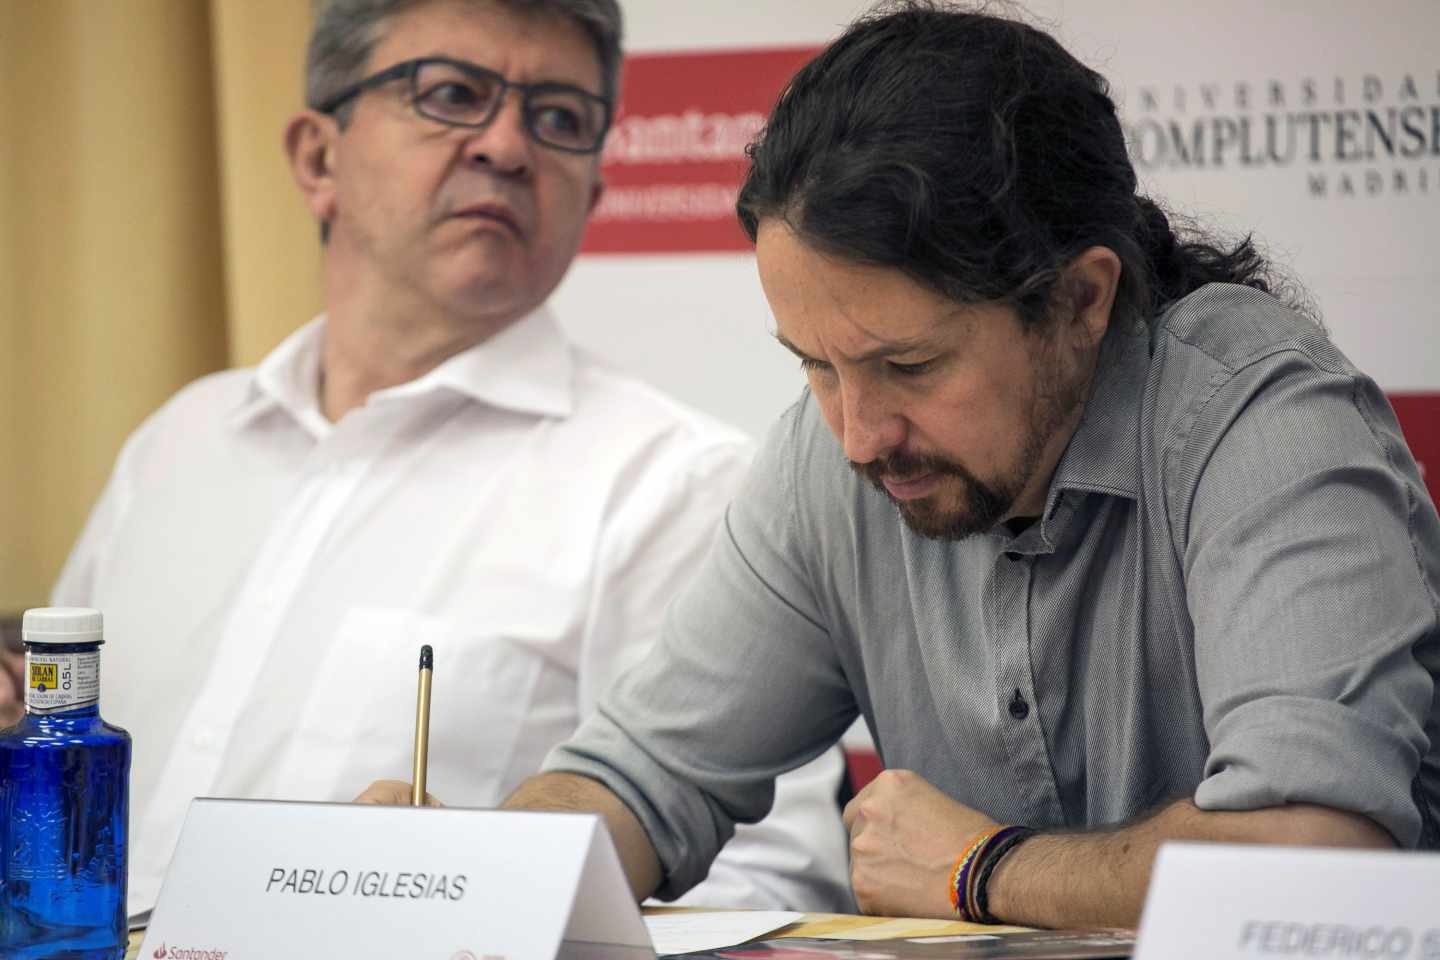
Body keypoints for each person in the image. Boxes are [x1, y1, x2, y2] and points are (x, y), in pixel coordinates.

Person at [360, 0, 1440, 929]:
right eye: (815, 368)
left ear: (1080, 301)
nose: (858, 433)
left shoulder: (1262, 422)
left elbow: (1310, 868)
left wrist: (979, 869)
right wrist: (466, 875)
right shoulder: (835, 458)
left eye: (909, 365)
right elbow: (642, 783)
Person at [27, 0, 853, 918]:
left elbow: (768, 895)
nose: (506, 147)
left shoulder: (671, 483)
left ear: (593, 195)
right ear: (316, 158)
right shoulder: (177, 441)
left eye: (559, 118)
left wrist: (473, 897)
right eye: (453, 94)